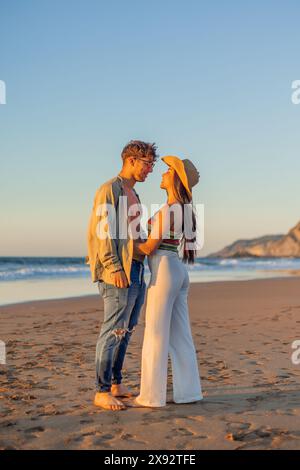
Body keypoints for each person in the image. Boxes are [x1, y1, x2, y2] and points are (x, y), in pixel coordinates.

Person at [86, 140, 158, 411]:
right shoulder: (110, 190)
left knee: (126, 330)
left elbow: (129, 234)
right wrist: (114, 267)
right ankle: (101, 390)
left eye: (152, 164)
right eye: (147, 163)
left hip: (137, 267)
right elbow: (103, 232)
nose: (150, 169)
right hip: (119, 269)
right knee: (112, 329)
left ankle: (116, 383)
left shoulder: (134, 193)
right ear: (131, 160)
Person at [133, 156, 203, 407]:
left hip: (164, 272)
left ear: (175, 177)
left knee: (155, 334)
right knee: (181, 336)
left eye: (167, 171)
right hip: (179, 271)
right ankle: (189, 393)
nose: (162, 174)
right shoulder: (185, 209)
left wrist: (123, 246)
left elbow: (150, 248)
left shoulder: (169, 210)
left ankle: (151, 397)